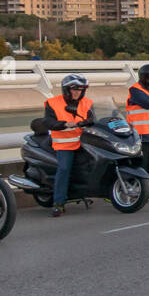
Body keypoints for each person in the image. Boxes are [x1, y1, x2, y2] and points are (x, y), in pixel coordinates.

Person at [43, 74, 96, 217]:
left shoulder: (87, 103)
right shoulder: (53, 102)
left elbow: (93, 118)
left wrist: (90, 122)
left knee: (97, 163)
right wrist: (64, 124)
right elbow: (48, 122)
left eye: (80, 89)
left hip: (84, 142)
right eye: (74, 89)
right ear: (66, 89)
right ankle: (58, 203)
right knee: (64, 169)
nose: (77, 92)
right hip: (64, 144)